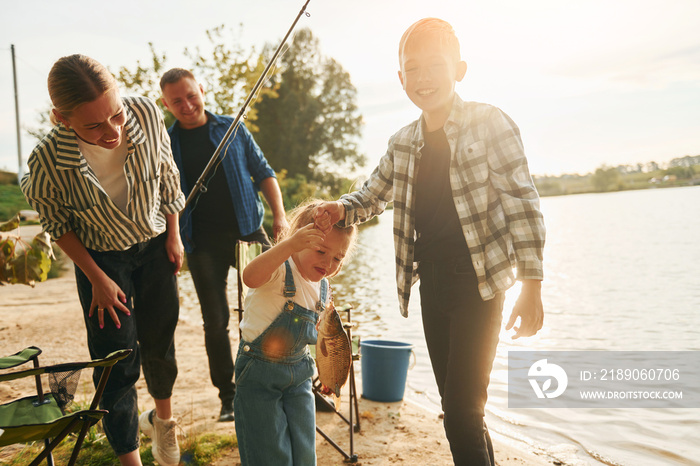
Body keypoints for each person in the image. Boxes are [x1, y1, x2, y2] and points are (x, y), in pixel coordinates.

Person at [313, 18, 546, 466]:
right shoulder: (402, 143)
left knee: (461, 413)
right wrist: (341, 209)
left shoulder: (490, 122)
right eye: (412, 69)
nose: (424, 79)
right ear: (400, 79)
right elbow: (371, 196)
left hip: (480, 285)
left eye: (435, 66)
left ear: (459, 68)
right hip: (430, 287)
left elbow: (523, 202)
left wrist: (531, 285)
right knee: (462, 413)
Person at [21, 54, 184, 466]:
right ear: (62, 118)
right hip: (101, 262)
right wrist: (94, 276)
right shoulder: (45, 161)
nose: (112, 131)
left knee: (161, 345)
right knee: (116, 363)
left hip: (155, 245)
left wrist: (174, 234)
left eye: (116, 115)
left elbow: (168, 178)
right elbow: (58, 225)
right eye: (94, 125)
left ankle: (163, 425)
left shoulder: (146, 113)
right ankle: (130, 461)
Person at [160, 68, 288, 422]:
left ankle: (284, 381)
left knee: (280, 302)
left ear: (201, 89)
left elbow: (264, 172)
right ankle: (229, 398)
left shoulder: (232, 127)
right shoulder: (167, 143)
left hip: (249, 231)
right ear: (166, 104)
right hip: (201, 245)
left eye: (191, 95)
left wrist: (279, 216)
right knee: (214, 322)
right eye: (176, 101)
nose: (187, 105)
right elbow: (166, 197)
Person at [233, 200, 358, 465]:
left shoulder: (323, 288)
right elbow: (249, 277)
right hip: (259, 375)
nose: (329, 263)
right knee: (268, 453)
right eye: (322, 251)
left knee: (304, 451)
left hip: (300, 374)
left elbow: (316, 338)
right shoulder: (279, 267)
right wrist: (288, 246)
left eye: (338, 258)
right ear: (301, 239)